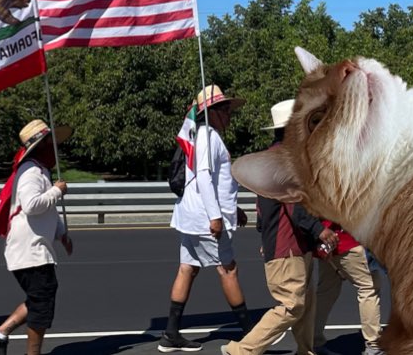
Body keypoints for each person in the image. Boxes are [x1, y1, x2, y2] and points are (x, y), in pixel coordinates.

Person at [222, 99, 336, 355]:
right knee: (292, 306)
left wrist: (265, 237)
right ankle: (241, 351)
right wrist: (321, 230)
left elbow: (263, 211)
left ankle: (305, 351)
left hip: (293, 245)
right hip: (288, 247)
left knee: (307, 304)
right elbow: (295, 208)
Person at [161, 86, 251, 353]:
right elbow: (203, 177)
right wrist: (216, 217)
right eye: (225, 110)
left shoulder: (199, 135)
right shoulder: (207, 136)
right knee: (228, 269)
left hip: (191, 215)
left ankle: (171, 334)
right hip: (204, 218)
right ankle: (250, 336)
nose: (230, 115)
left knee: (187, 268)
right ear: (212, 112)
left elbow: (216, 182)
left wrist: (234, 209)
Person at [0, 119, 73, 355]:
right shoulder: (30, 171)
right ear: (41, 146)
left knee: (40, 297)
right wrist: (57, 190)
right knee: (42, 303)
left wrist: (61, 233)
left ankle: (0, 334)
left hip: (34, 249)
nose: (56, 148)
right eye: (51, 143)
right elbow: (32, 206)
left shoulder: (39, 170)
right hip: (30, 251)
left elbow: (46, 212)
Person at [313, 222, 383, 355]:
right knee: (369, 288)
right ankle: (373, 345)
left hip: (327, 243)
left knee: (326, 291)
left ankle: (312, 341)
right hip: (346, 240)